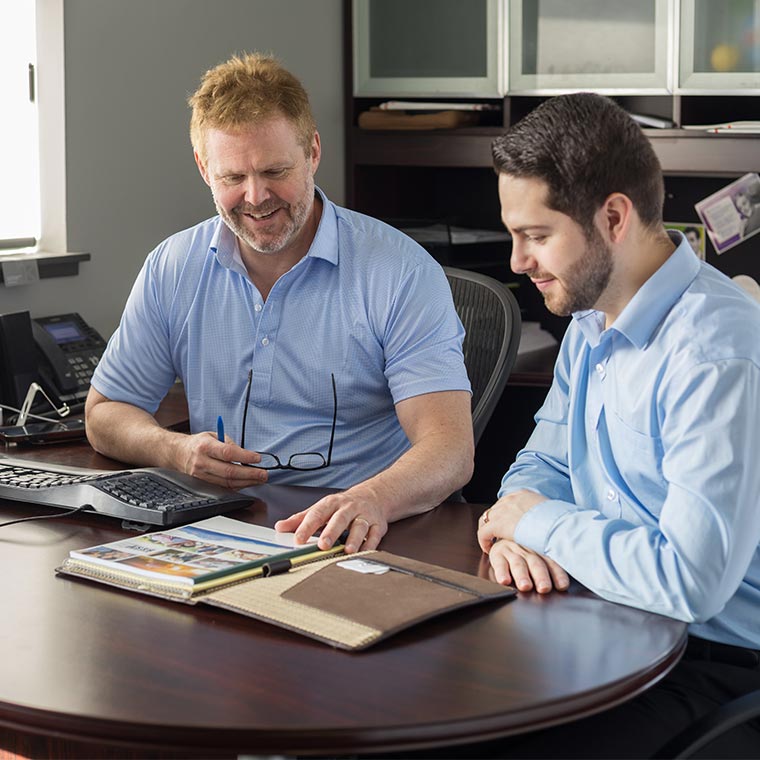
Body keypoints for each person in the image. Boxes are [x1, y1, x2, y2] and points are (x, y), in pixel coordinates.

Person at [85, 53, 474, 554]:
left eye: (274, 170)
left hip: (362, 534)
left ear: (312, 152)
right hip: (222, 529)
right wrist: (177, 450)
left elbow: (450, 450)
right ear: (204, 168)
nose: (256, 196)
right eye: (232, 178)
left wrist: (371, 498)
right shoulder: (173, 266)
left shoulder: (399, 271)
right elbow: (104, 413)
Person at [474, 93, 760, 757]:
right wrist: (518, 526)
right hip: (609, 622)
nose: (517, 262)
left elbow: (689, 581)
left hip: (714, 664)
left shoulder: (715, 354)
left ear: (613, 217)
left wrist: (537, 524)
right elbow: (539, 468)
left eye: (536, 236)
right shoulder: (590, 320)